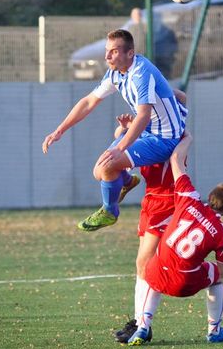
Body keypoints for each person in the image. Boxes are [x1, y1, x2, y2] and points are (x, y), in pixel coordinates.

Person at [42, 29, 186, 231]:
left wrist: (121, 148)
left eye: (114, 51)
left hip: (164, 139)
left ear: (130, 53)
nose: (107, 56)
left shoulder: (141, 73)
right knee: (99, 171)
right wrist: (59, 130)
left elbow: (143, 115)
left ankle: (110, 211)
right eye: (107, 51)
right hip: (149, 132)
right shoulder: (115, 73)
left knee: (108, 166)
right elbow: (89, 102)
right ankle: (127, 181)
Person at [126, 133, 223, 346]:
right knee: (217, 278)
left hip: (159, 274)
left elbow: (175, 160)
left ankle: (143, 327)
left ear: (209, 197)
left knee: (152, 267)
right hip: (184, 283)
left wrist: (186, 138)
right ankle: (214, 330)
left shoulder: (188, 198)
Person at [110, 88, 187, 344]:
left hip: (167, 200)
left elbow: (182, 98)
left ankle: (144, 323)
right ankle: (139, 320)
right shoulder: (153, 129)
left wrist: (156, 86)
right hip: (152, 199)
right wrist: (123, 130)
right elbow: (123, 146)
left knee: (146, 264)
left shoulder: (173, 128)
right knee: (142, 265)